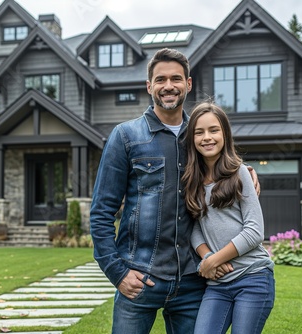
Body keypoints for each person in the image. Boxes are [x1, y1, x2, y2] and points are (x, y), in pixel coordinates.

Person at [90, 48, 258, 334]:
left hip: (193, 280)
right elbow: (101, 213)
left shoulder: (199, 136)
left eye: (176, 79)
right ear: (149, 86)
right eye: (161, 79)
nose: (169, 86)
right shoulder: (126, 137)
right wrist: (117, 273)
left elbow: (225, 162)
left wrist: (248, 172)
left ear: (188, 84)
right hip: (139, 277)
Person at [183, 101, 275, 334]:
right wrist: (208, 258)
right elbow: (195, 227)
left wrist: (213, 261)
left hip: (253, 278)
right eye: (199, 132)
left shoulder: (240, 172)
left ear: (225, 134)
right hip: (217, 285)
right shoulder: (191, 180)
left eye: (214, 130)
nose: (207, 137)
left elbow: (254, 231)